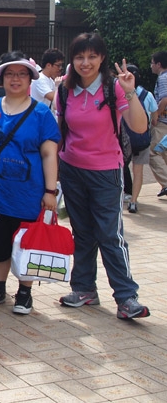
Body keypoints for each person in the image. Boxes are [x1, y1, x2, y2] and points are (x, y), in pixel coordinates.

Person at [57, 32, 150, 320]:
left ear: (102, 58)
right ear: (72, 60)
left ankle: (126, 297)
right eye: (79, 57)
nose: (85, 63)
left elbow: (139, 126)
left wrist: (130, 92)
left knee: (110, 234)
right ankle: (84, 288)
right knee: (82, 233)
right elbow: (60, 130)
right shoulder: (64, 89)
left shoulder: (114, 88)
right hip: (71, 170)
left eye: (92, 56)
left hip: (106, 171)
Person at [0, 51, 60, 315]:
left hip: (30, 193)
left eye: (21, 74)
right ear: (1, 79)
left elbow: (49, 154)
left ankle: (25, 293)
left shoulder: (41, 113)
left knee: (28, 243)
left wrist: (50, 191)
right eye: (10, 74)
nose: (15, 79)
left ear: (30, 79)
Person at [123, 64, 157, 214]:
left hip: (124, 140)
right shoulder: (147, 95)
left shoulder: (119, 95)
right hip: (141, 140)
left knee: (120, 169)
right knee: (138, 171)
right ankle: (134, 201)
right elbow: (154, 119)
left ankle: (122, 195)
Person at [149, 50, 167, 197]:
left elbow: (164, 99)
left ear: (159, 64)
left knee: (153, 152)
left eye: (152, 63)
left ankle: (166, 183)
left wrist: (156, 117)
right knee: (164, 152)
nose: (151, 66)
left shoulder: (163, 78)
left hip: (163, 123)